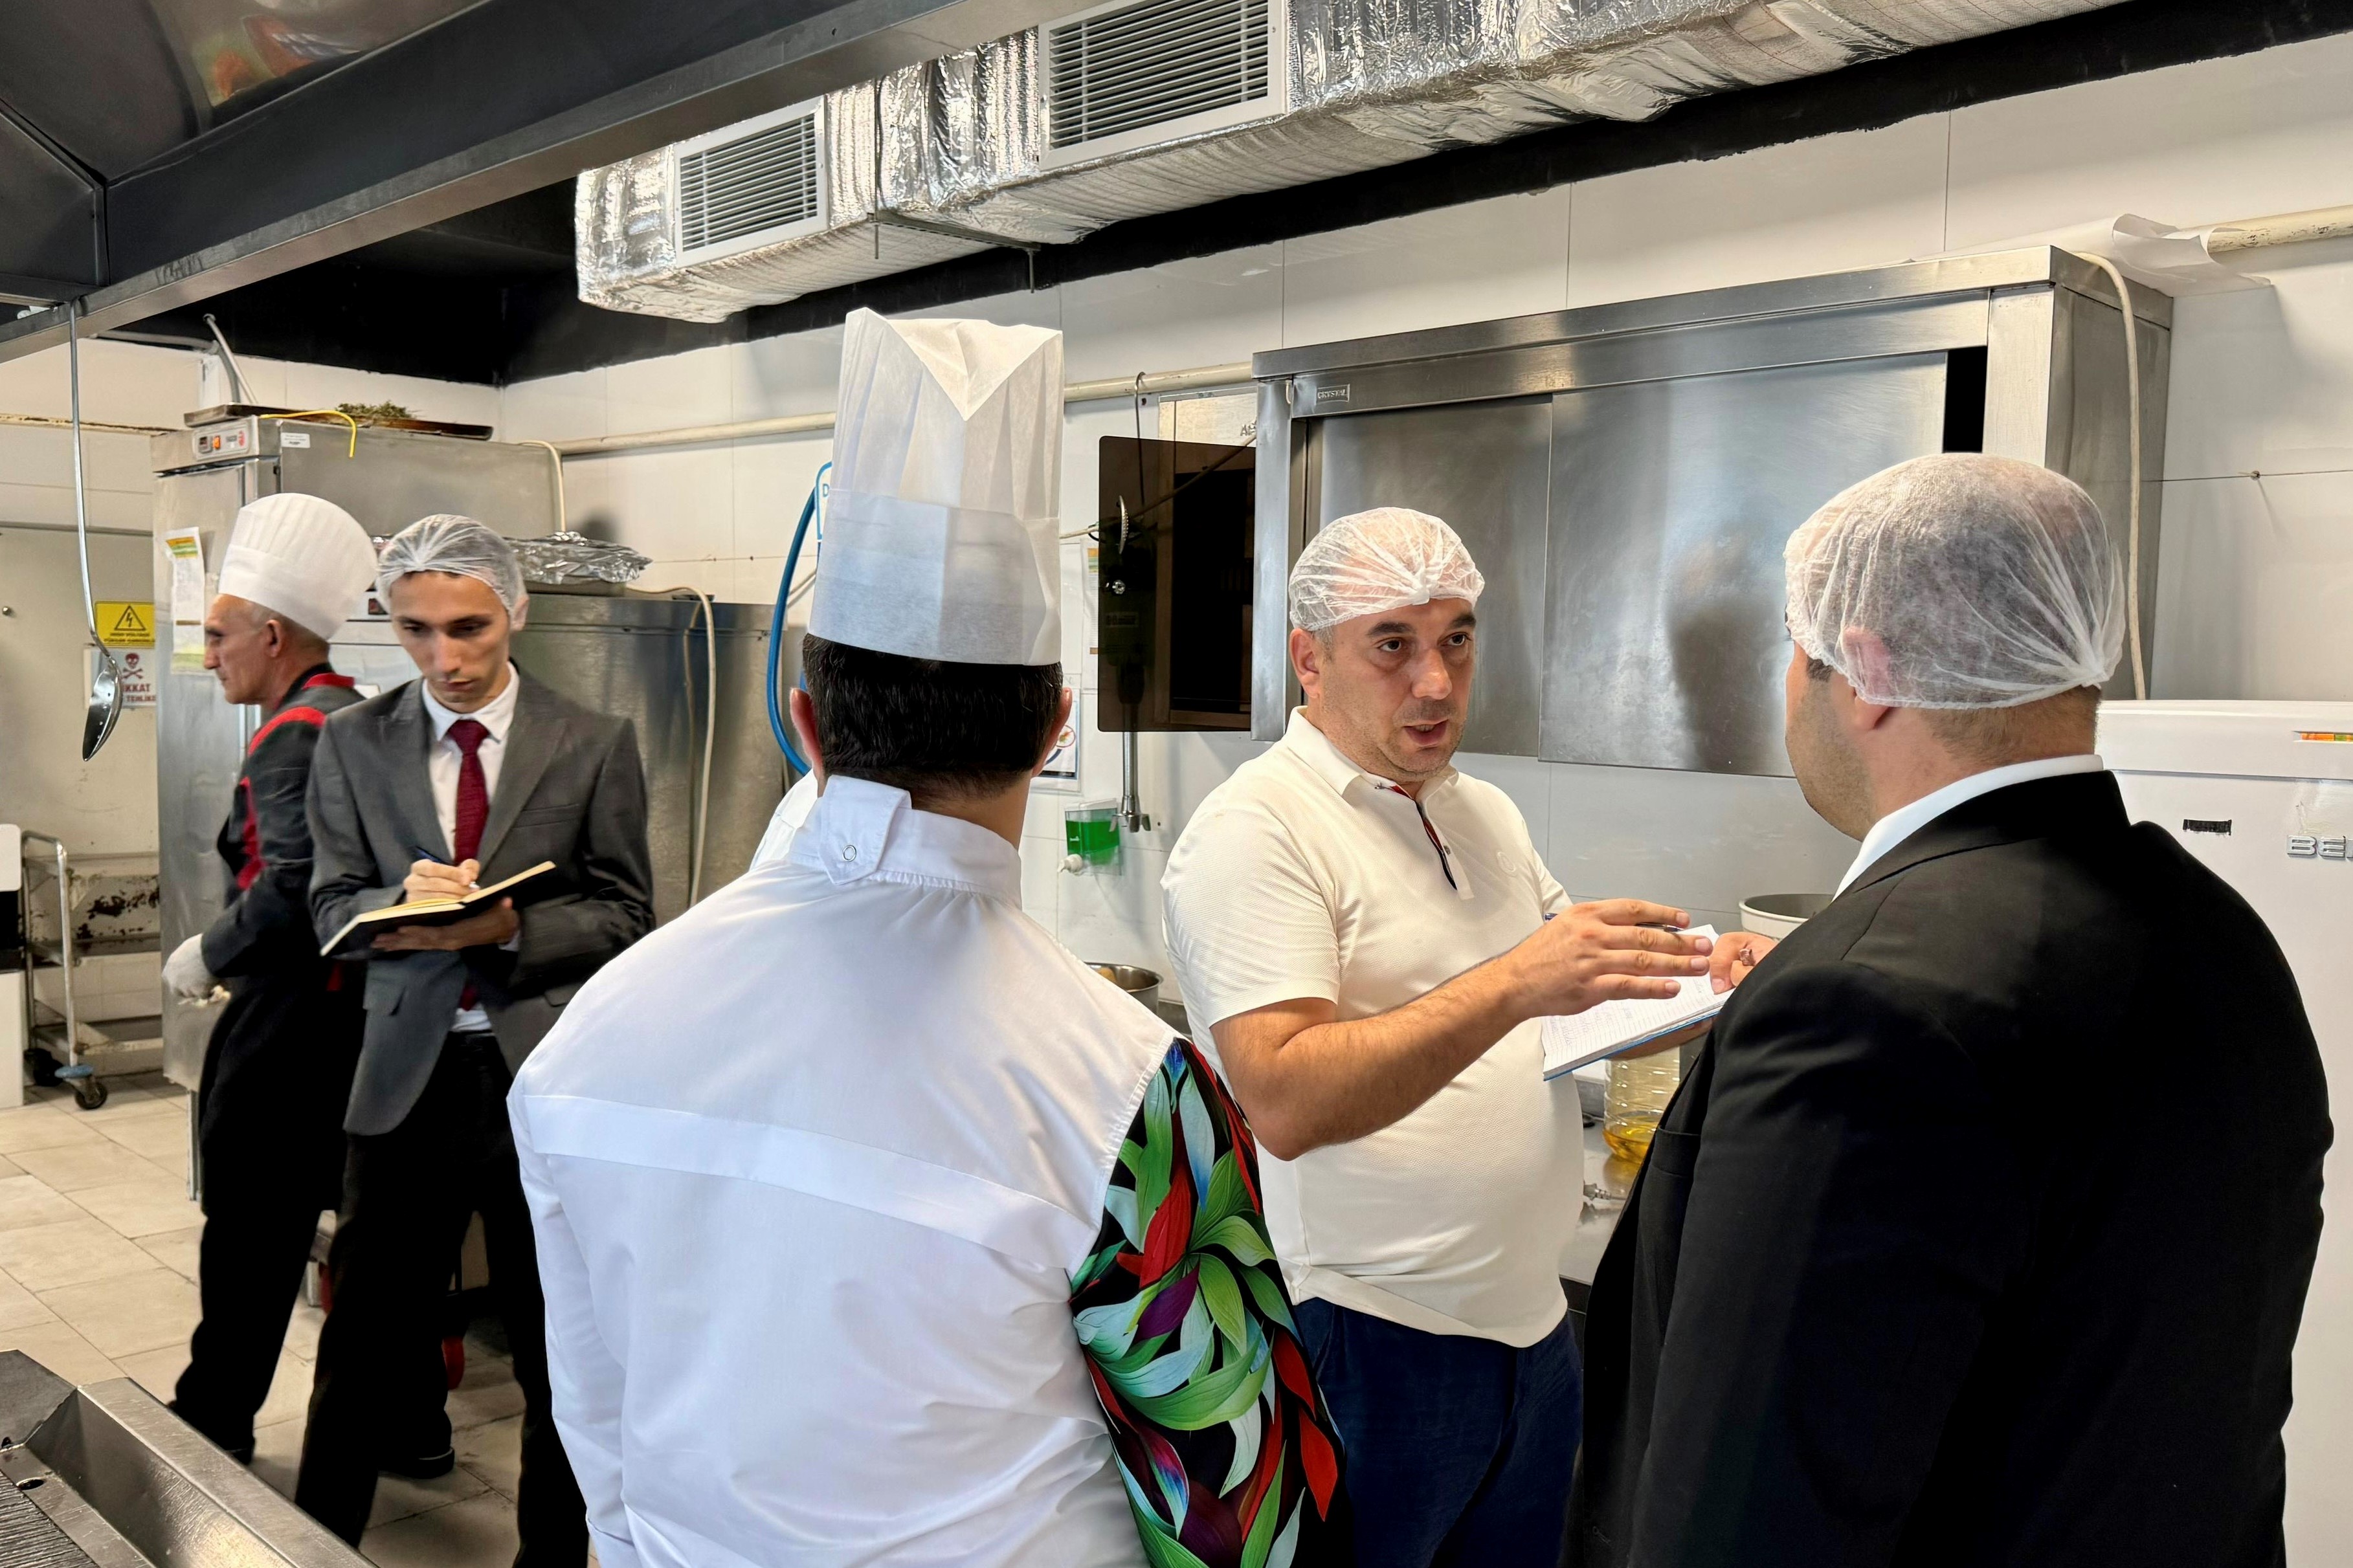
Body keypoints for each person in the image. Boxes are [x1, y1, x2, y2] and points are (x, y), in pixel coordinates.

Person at [509, 307, 1349, 1568]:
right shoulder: (1133, 1091)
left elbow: (597, 1436)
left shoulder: (591, 1036)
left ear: (804, 720)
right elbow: (1249, 1518)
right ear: (1055, 727)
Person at [1568, 454, 2330, 1568]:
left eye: (1798, 648)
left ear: (1869, 672)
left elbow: (1748, 1516)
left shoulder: (1856, 1003)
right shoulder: (2222, 938)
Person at [1160, 507, 1766, 1567]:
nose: (1436, 682)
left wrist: (1703, 984)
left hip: (1530, 1336)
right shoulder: (1257, 831)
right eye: (1392, 644)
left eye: (1457, 639)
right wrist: (1519, 981)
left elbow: (1572, 1005)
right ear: (1309, 659)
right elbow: (1286, 1100)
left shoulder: (1481, 810)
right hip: (1366, 1338)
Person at [296, 514, 654, 1564]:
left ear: (517, 612)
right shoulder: (352, 743)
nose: (444, 658)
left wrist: (508, 930)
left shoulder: (592, 741)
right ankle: (309, 1545)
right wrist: (392, 902)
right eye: (416, 631)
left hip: (541, 1076)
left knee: (559, 1347)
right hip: (405, 1080)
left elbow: (629, 912)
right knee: (362, 1344)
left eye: (469, 629)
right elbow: (328, 905)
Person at [159, 493, 377, 1464]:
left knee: (250, 1234)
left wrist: (210, 952)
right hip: (359, 1023)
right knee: (364, 1237)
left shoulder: (295, 731)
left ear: (274, 635)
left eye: (219, 636)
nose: (208, 656)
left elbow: (290, 886)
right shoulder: (357, 714)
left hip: (289, 1026)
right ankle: (409, 1424)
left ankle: (214, 1422)